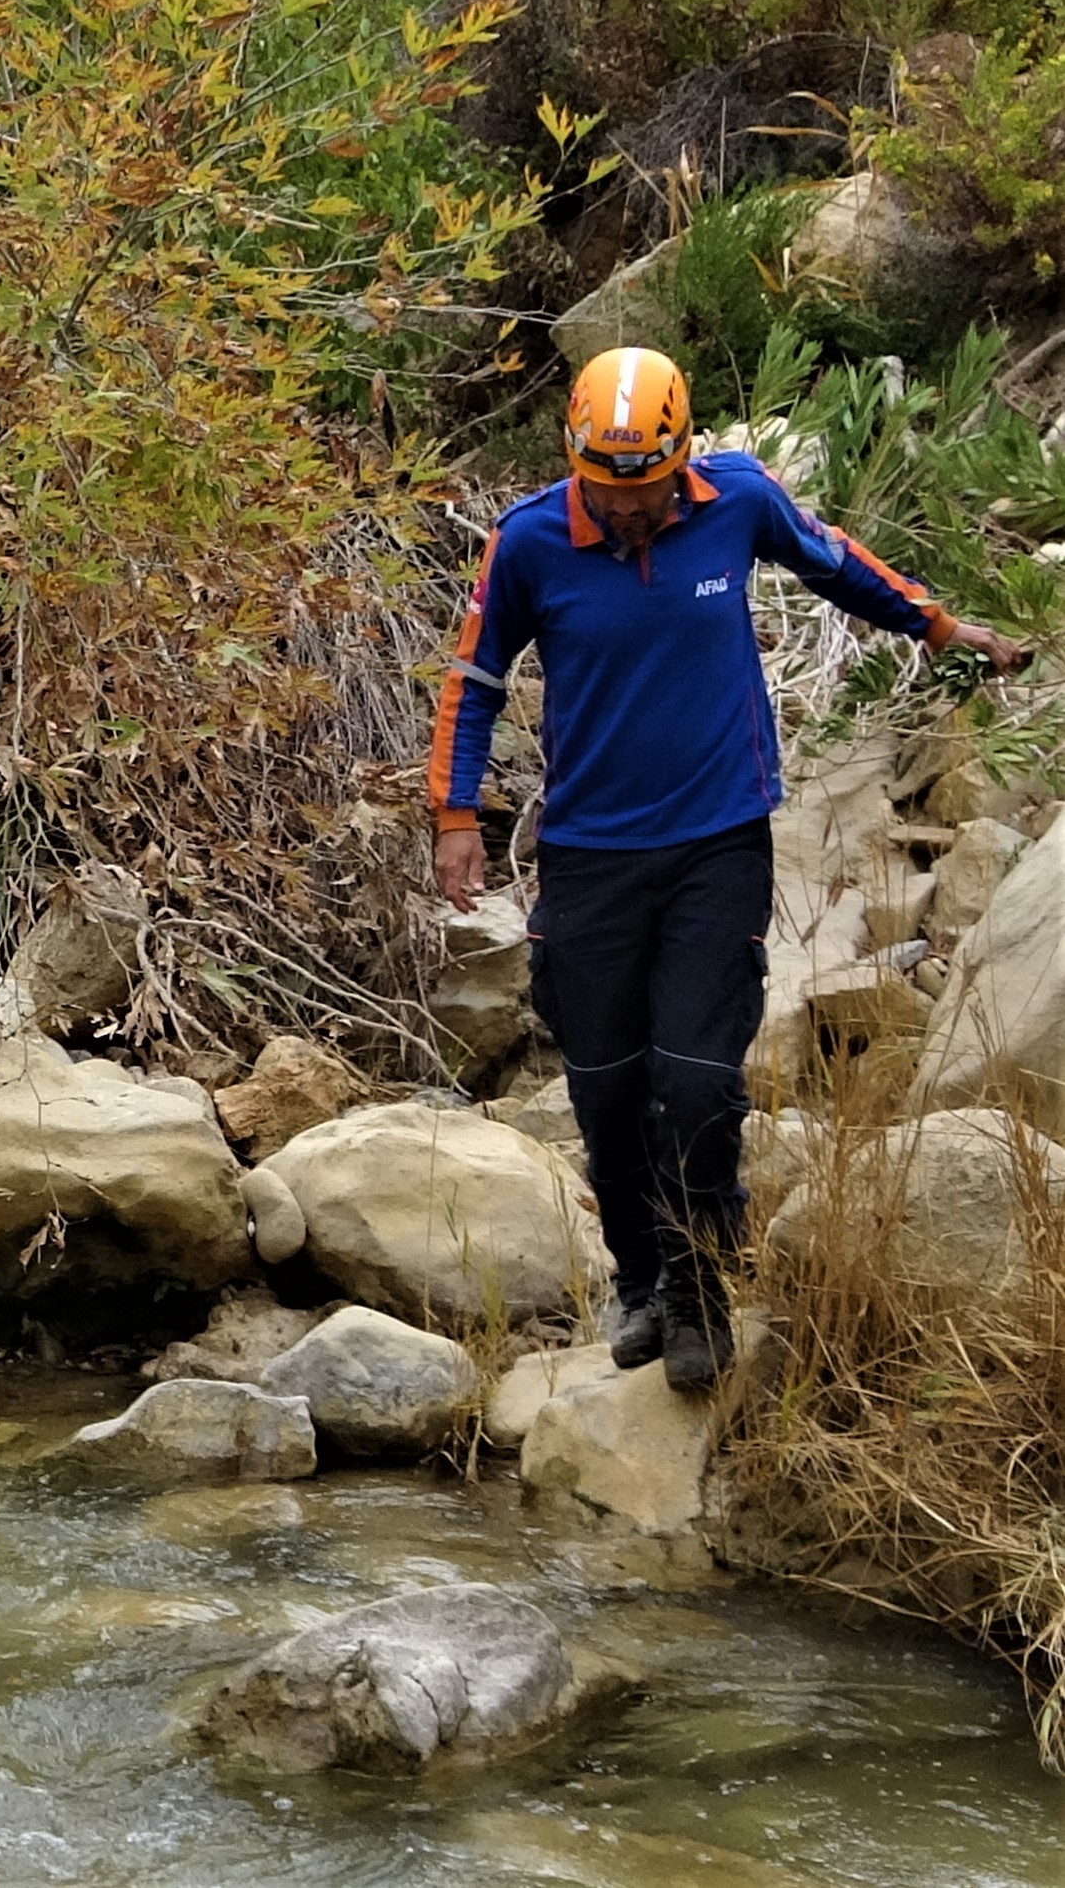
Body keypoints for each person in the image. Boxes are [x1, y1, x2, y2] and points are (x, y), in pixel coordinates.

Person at [429, 344, 1025, 1391]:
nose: (628, 508)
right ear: (574, 460)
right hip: (589, 856)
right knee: (606, 1091)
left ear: (681, 458)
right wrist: (454, 816)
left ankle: (699, 1289)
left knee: (697, 1084)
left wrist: (935, 623)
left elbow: (833, 560)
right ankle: (639, 1278)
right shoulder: (528, 541)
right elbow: (472, 679)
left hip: (717, 840)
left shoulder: (737, 499)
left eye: (647, 487)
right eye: (606, 489)